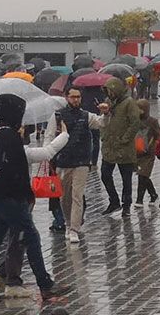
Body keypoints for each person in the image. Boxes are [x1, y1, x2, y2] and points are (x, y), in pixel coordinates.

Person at [0, 94, 70, 304]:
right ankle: (45, 285)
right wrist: (25, 194)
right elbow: (13, 170)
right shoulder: (9, 137)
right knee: (31, 237)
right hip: (11, 198)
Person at [0, 120, 70, 297]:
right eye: (21, 126)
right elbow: (48, 152)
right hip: (18, 199)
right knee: (25, 237)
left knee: (15, 238)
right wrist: (64, 134)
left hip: (3, 199)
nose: (24, 129)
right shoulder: (20, 150)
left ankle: (1, 275)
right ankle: (21, 281)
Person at [54, 88, 107, 243]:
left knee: (77, 195)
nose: (76, 100)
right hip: (64, 160)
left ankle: (74, 229)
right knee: (65, 197)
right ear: (67, 97)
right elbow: (49, 136)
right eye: (73, 97)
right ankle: (68, 222)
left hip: (82, 160)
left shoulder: (86, 115)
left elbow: (101, 123)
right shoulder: (58, 116)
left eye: (78, 97)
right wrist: (49, 154)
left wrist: (105, 113)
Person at [99, 78, 145, 218]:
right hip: (109, 146)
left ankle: (126, 205)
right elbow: (104, 120)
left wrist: (125, 139)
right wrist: (104, 134)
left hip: (124, 148)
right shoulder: (108, 102)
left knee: (126, 179)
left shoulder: (129, 103)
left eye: (111, 90)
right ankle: (114, 201)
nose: (110, 93)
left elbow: (135, 123)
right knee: (105, 174)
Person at [133, 100, 160, 205]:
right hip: (137, 152)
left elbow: (158, 135)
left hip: (148, 153)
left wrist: (155, 146)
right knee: (144, 175)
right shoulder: (134, 120)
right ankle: (153, 194)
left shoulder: (152, 121)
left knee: (143, 175)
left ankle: (139, 199)